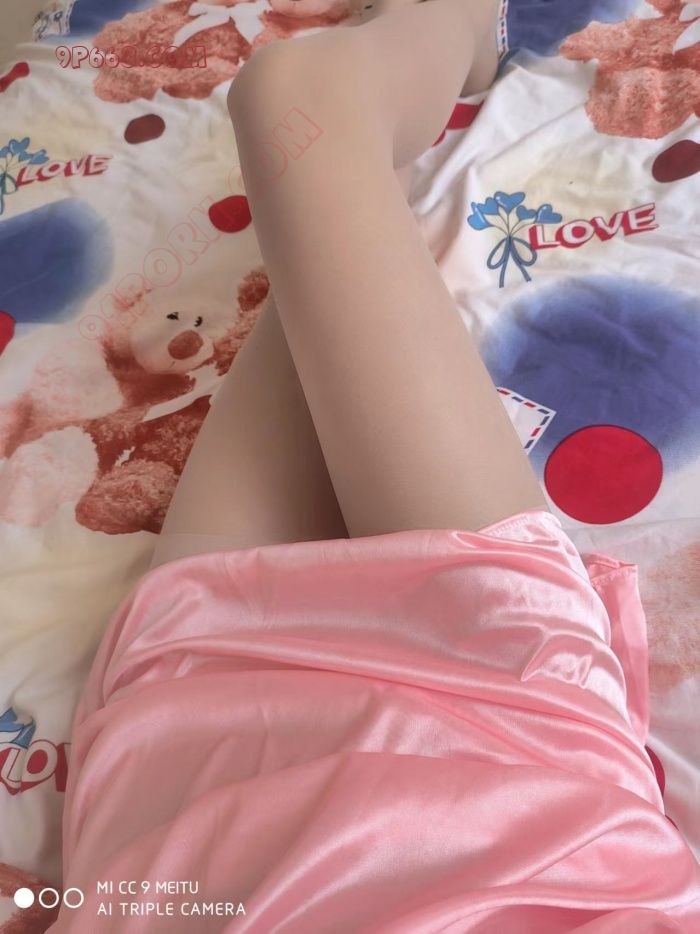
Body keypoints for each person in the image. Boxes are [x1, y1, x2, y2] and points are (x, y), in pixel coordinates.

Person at [51, 1, 700, 930]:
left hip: (201, 792)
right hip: (460, 775)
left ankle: (417, 52)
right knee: (314, 159)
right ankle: (437, 34)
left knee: (321, 195)